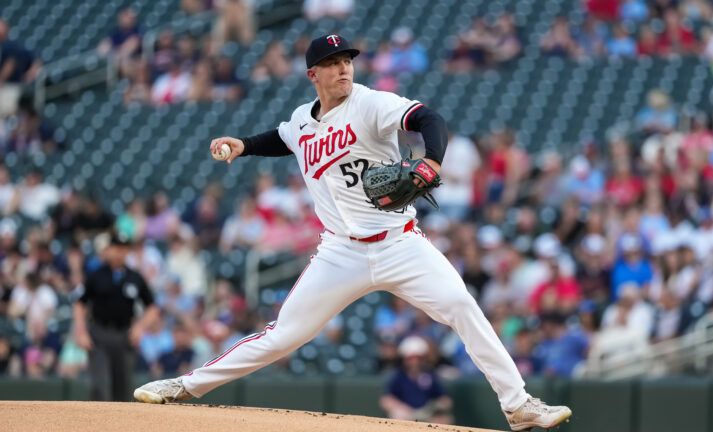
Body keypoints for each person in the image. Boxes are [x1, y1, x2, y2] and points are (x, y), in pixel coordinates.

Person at [133, 33, 572, 431]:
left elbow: (429, 118)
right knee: (283, 336)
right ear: (313, 74)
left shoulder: (370, 103)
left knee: (461, 304)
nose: (344, 67)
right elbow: (284, 138)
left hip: (400, 243)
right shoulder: (303, 121)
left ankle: (518, 405)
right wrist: (242, 145)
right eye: (333, 61)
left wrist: (432, 160)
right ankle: (186, 387)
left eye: (348, 59)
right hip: (339, 253)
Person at [73, 232, 159, 401]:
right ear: (108, 250)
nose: (119, 252)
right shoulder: (96, 275)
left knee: (123, 388)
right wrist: (81, 331)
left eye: (124, 248)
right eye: (116, 248)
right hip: (99, 333)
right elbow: (80, 303)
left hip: (124, 334)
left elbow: (152, 307)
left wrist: (140, 327)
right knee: (99, 385)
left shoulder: (135, 277)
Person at [380, 336, 453, 424]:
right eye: (410, 358)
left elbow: (444, 399)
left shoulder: (429, 374)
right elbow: (386, 400)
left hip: (427, 413)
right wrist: (401, 408)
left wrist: (438, 406)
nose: (414, 362)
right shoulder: (398, 376)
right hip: (407, 414)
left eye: (418, 358)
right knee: (398, 415)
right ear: (404, 359)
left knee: (443, 419)